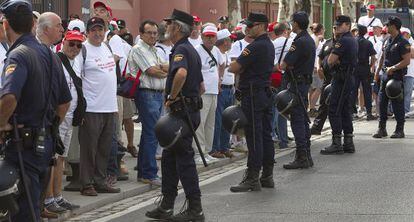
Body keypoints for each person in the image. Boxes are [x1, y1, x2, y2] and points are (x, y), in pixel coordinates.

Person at [0, 0, 72, 220]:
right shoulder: (50, 54)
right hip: (44, 143)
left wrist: (1, 124)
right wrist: (48, 126)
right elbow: (64, 103)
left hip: (23, 146)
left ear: (6, 24)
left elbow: (10, 97)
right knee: (33, 208)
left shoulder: (18, 54)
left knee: (22, 211)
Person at [145, 9, 205, 221]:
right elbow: (201, 86)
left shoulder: (181, 49)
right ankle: (167, 204)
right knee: (169, 160)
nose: (166, 27)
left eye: (169, 24)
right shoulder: (190, 50)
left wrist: (172, 96)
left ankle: (195, 208)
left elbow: (181, 73)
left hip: (182, 113)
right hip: (188, 110)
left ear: (178, 27)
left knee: (183, 160)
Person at [228, 12, 275, 192]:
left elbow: (235, 67)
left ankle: (252, 177)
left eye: (251, 25)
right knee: (265, 135)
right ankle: (267, 175)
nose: (247, 29)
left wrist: (233, 64)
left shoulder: (255, 46)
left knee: (254, 136)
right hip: (262, 93)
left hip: (253, 95)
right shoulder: (268, 44)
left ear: (261, 26)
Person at [79, 17, 120, 196]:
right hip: (91, 108)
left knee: (104, 148)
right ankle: (86, 183)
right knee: (89, 149)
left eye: (100, 29)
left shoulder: (107, 47)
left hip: (109, 107)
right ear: (87, 32)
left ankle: (100, 180)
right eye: (94, 30)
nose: (97, 33)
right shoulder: (83, 50)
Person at [128, 20, 168, 186]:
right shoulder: (138, 49)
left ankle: (144, 171)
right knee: (152, 134)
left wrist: (162, 68)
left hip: (157, 95)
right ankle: (150, 173)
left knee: (149, 134)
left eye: (154, 33)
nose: (152, 36)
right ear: (141, 34)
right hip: (147, 94)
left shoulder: (154, 50)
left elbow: (167, 66)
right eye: (149, 33)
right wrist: (162, 69)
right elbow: (152, 71)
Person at [280, 11, 316, 169]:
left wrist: (287, 65)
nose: (291, 24)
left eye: (292, 21)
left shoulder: (299, 41)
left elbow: (284, 64)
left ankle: (302, 156)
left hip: (296, 84)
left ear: (296, 24)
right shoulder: (308, 39)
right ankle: (306, 155)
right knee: (302, 119)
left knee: (297, 120)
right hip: (304, 83)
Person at [320, 15, 358, 155]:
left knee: (334, 108)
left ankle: (337, 143)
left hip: (341, 78)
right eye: (335, 26)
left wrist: (325, 62)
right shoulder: (351, 40)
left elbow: (330, 61)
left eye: (339, 25)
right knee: (344, 109)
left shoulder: (343, 41)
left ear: (347, 25)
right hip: (348, 77)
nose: (336, 28)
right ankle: (348, 142)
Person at [373, 16, 411, 139]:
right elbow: (382, 58)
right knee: (382, 102)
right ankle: (381, 129)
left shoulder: (403, 42)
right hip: (384, 76)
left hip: (396, 77)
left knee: (397, 104)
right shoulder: (387, 40)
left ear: (394, 26)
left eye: (388, 25)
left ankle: (400, 130)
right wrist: (377, 72)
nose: (385, 27)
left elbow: (406, 61)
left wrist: (393, 68)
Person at [194, 25, 225, 162]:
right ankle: (198, 153)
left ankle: (207, 151)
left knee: (210, 123)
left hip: (214, 91)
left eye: (212, 36)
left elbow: (222, 64)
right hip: (203, 92)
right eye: (207, 36)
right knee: (200, 122)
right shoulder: (197, 50)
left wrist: (220, 80)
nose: (210, 38)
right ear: (202, 36)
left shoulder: (217, 50)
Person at [211, 29, 235, 158]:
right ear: (225, 42)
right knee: (218, 119)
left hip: (229, 88)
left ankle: (224, 146)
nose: (231, 42)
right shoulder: (217, 53)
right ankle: (215, 147)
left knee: (227, 119)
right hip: (221, 89)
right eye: (230, 40)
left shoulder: (227, 53)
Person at [310, 28, 338, 135]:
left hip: (338, 77)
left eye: (338, 28)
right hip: (326, 77)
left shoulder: (344, 43)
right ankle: (317, 127)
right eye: (334, 28)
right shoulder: (327, 43)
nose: (335, 30)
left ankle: (338, 131)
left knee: (336, 104)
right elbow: (320, 57)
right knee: (323, 103)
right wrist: (319, 67)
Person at [353, 25, 377, 121]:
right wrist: (370, 66)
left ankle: (352, 112)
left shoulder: (353, 42)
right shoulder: (368, 42)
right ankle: (369, 113)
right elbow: (373, 57)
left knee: (353, 91)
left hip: (354, 68)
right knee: (367, 91)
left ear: (357, 32)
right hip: (365, 68)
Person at [308, 23, 325, 117]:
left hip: (313, 66)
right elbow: (313, 49)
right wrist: (318, 39)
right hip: (315, 67)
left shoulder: (314, 38)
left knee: (312, 89)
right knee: (318, 88)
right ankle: (311, 108)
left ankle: (311, 107)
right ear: (321, 29)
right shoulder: (314, 38)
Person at [401, 27, 414, 118]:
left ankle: (405, 111)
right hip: (400, 72)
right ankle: (398, 111)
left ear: (409, 35)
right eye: (402, 34)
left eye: (405, 34)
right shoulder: (400, 44)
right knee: (399, 93)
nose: (404, 36)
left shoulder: (412, 44)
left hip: (410, 73)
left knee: (407, 92)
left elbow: (412, 53)